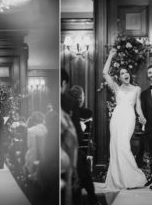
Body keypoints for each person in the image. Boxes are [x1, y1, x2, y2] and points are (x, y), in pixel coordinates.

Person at [95, 48, 147, 191]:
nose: (125, 74)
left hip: (129, 117)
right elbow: (105, 73)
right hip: (117, 117)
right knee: (116, 146)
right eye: (122, 73)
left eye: (126, 73)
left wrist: (141, 117)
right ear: (119, 77)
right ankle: (119, 179)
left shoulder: (137, 89)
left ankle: (132, 177)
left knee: (123, 145)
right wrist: (111, 56)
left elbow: (138, 107)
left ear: (129, 75)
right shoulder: (116, 88)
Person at [61, 69, 100, 205]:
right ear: (64, 83)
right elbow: (77, 133)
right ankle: (92, 198)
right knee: (81, 161)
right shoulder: (71, 104)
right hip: (66, 150)